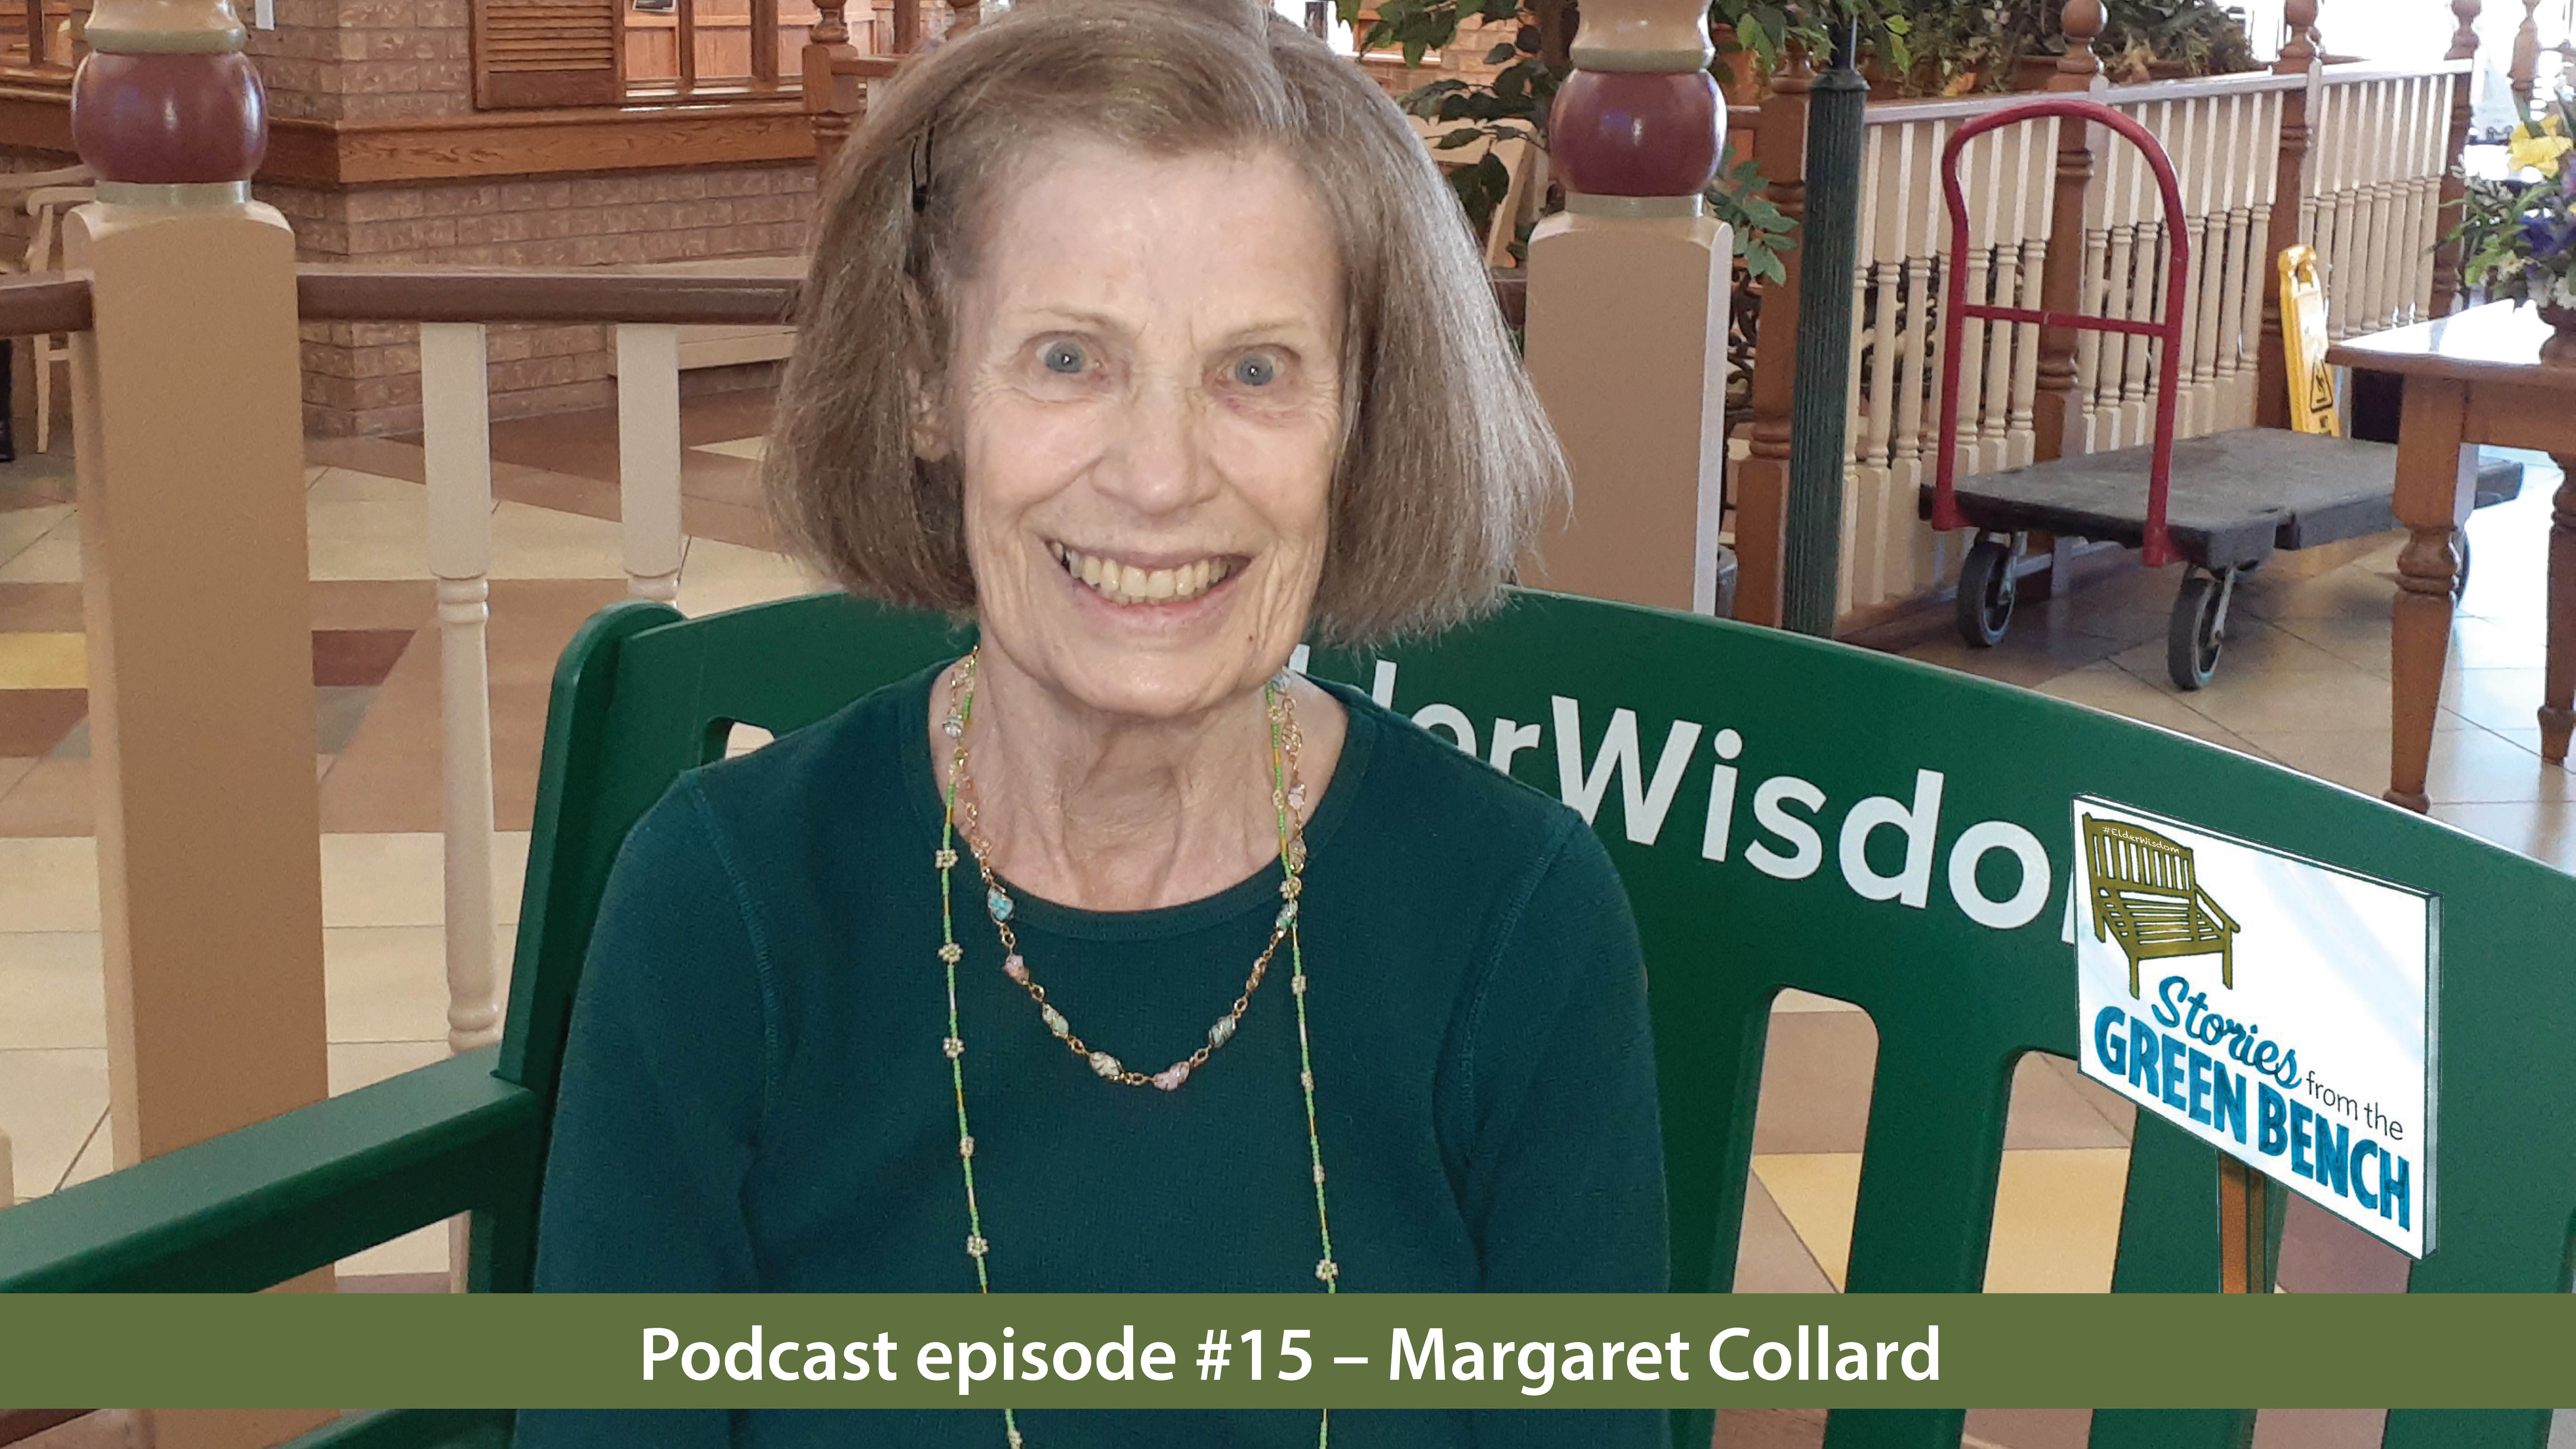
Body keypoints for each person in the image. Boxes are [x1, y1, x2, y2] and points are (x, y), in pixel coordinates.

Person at [517, 0, 1667, 1444]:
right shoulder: (725, 904)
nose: (1158, 475)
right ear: (931, 388)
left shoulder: (1518, 922)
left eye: (1254, 371)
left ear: (1360, 424)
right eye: (1069, 358)